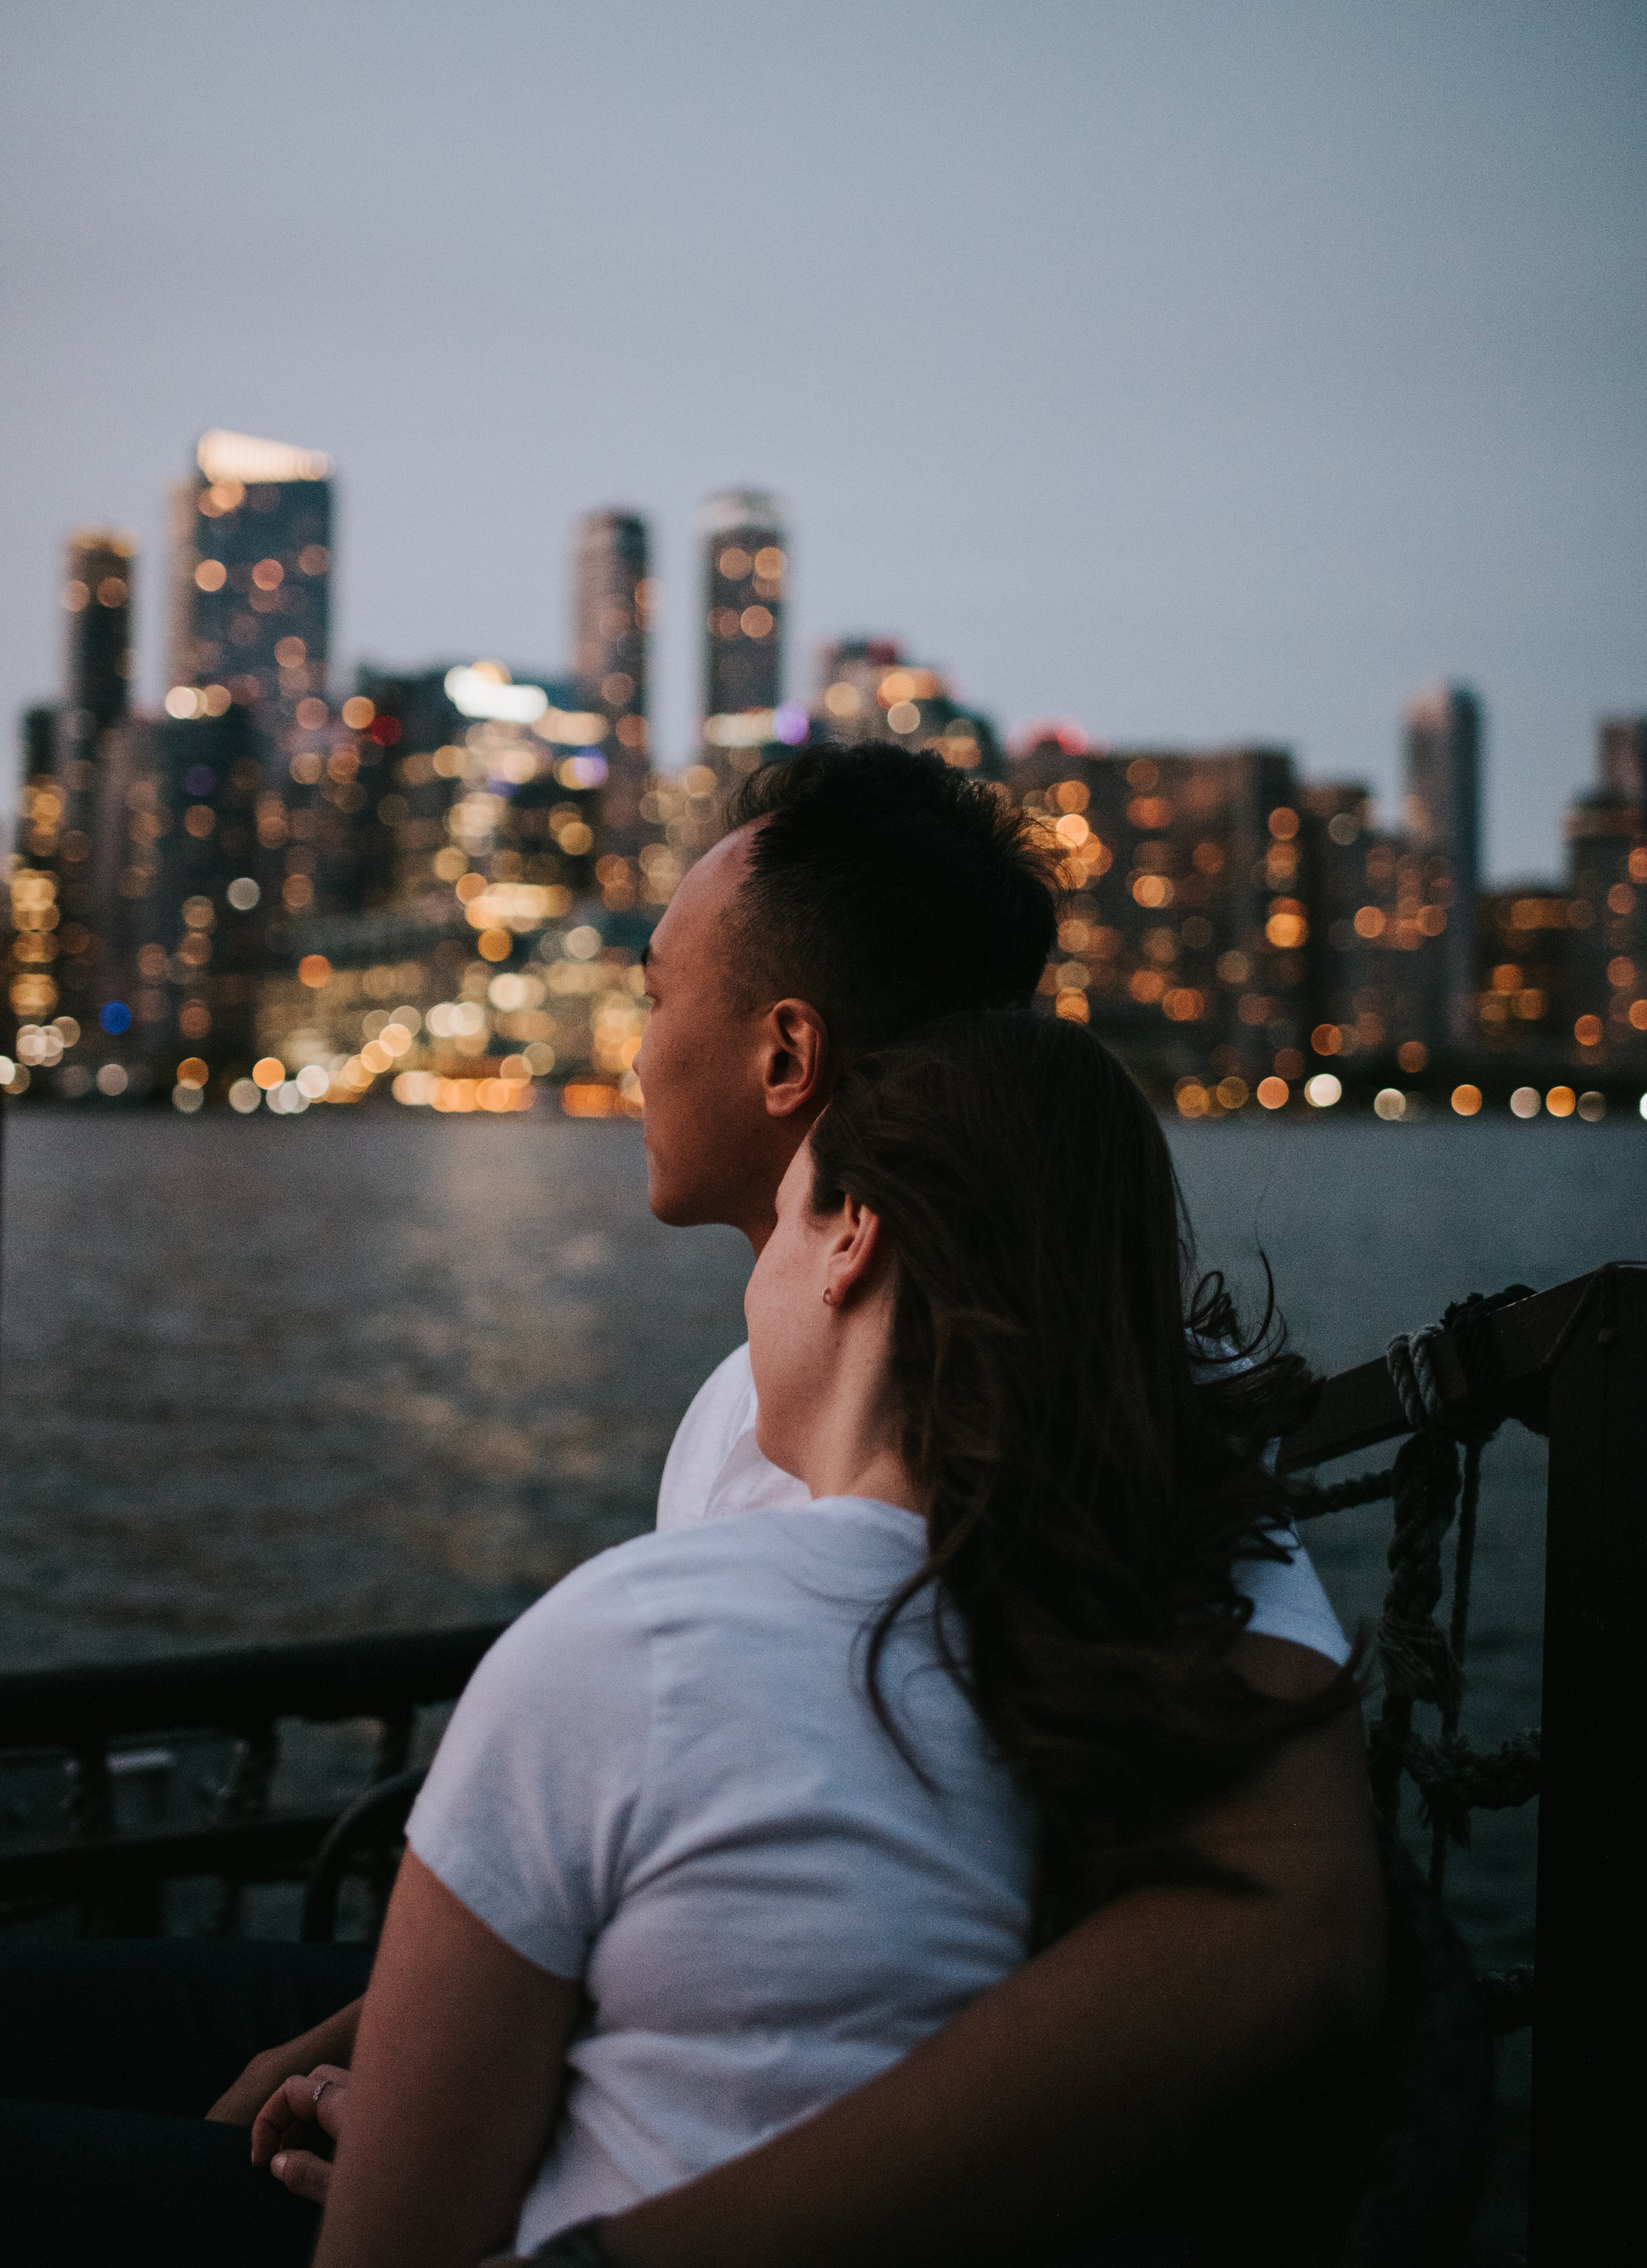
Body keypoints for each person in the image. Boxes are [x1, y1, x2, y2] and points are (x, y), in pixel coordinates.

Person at [0, 748, 1376, 2264]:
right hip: (590, 2025)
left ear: (786, 1057)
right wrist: (383, 2040)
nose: (633, 1050)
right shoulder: (747, 1400)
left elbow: (1277, 1931)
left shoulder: (1109, 1381)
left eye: (655, 997)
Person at [271, 1009, 1380, 2268]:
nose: (639, 1041)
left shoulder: (621, 1643)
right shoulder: (1131, 1630)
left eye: (660, 984)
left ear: (853, 1232)